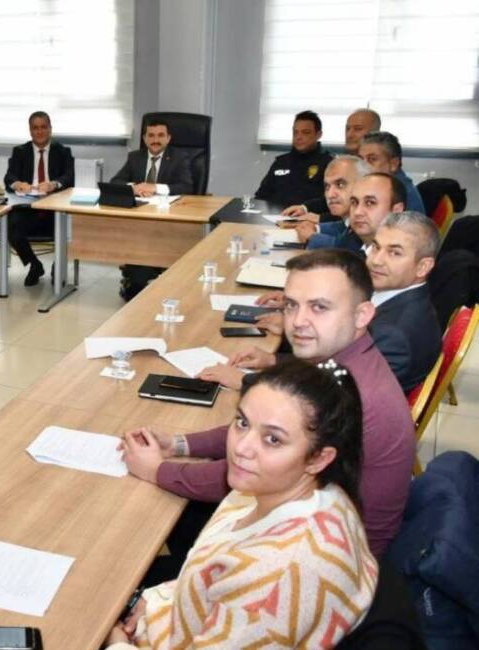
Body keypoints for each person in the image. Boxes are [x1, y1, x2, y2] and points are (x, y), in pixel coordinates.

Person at [151, 250, 414, 562]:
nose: (298, 322)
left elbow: (253, 464)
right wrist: (180, 445)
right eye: (291, 305)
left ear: (362, 316)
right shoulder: (343, 364)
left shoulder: (350, 394)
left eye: (319, 307)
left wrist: (158, 470)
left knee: (156, 522)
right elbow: (262, 432)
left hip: (325, 563)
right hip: (312, 529)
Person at [108, 359, 377, 649]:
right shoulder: (302, 488)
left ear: (319, 458)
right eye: (242, 423)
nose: (241, 448)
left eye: (272, 439)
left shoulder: (277, 577)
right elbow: (211, 577)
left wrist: (116, 645)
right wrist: (155, 599)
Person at [366, 211, 442, 393]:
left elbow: (342, 397)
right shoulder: (400, 296)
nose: (376, 260)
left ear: (423, 267)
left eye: (394, 253)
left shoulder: (393, 335)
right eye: (376, 247)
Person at [3, 111, 75, 286]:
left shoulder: (63, 151)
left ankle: (58, 267)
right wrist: (18, 183)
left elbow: (69, 178)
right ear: (30, 131)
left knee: (68, 227)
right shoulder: (20, 151)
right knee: (11, 226)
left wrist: (54, 184)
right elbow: (9, 178)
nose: (40, 131)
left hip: (55, 208)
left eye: (43, 127)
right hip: (28, 208)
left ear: (50, 129)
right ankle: (35, 265)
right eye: (35, 128)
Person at [282, 108, 381, 218]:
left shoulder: (381, 170)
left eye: (357, 129)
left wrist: (321, 220)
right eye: (347, 129)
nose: (350, 134)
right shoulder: (346, 162)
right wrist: (305, 208)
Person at [307, 172, 406, 253]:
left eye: (370, 203)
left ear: (396, 211)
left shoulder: (401, 264)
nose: (357, 212)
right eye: (354, 202)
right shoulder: (352, 240)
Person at [254, 110, 334, 208]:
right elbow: (261, 196)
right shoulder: (281, 162)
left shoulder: (329, 164)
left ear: (318, 134)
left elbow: (331, 200)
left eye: (305, 132)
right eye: (295, 132)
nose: (298, 137)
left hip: (308, 219)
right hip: (274, 218)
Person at [290, 155, 371, 245]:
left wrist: (312, 237)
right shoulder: (351, 220)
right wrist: (317, 228)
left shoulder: (371, 220)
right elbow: (343, 227)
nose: (330, 194)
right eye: (327, 186)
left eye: (340, 184)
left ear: (364, 185)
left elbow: (346, 250)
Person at [110, 118, 193, 197]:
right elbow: (115, 182)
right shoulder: (135, 157)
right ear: (145, 139)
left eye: (160, 135)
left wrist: (155, 188)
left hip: (165, 207)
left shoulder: (179, 158)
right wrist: (135, 188)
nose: (155, 140)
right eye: (151, 135)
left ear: (168, 138)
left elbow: (187, 187)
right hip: (139, 206)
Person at [358, 131, 426, 213]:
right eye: (361, 159)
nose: (363, 165)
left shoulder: (402, 195)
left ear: (393, 164)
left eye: (372, 159)